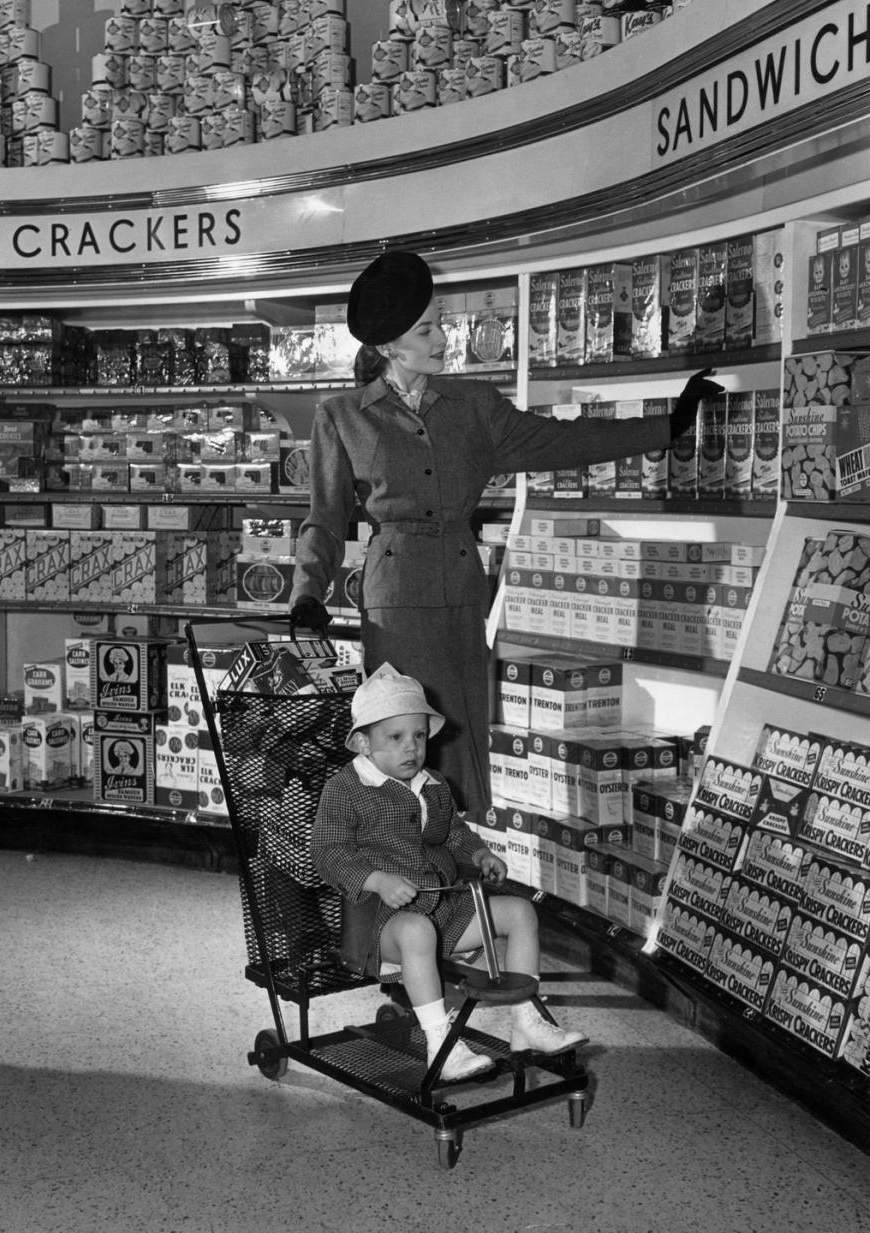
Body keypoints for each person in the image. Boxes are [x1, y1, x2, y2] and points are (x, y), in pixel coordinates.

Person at [290, 249, 723, 817]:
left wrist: (668, 424)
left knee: (460, 726)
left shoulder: (475, 407)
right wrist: (305, 593)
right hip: (395, 600)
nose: (444, 337)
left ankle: (461, 870)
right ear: (390, 346)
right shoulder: (342, 415)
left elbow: (562, 441)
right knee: (401, 736)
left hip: (466, 589)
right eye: (427, 329)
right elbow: (324, 516)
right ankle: (399, 869)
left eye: (441, 322)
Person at [311, 663, 588, 1082]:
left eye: (419, 736)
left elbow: (452, 833)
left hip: (445, 909)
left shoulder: (433, 784)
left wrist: (478, 854)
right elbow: (327, 852)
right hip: (380, 925)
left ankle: (526, 1021)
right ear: (363, 744)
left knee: (519, 913)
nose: (412, 749)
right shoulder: (346, 789)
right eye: (396, 738)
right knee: (418, 932)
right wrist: (377, 880)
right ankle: (442, 1045)